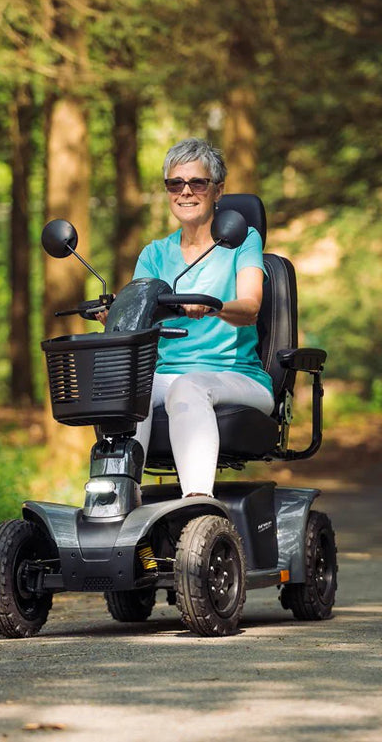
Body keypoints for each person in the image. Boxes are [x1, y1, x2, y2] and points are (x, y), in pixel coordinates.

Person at [129, 138, 274, 498]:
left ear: (218, 190)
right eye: (175, 183)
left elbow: (250, 307)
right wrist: (112, 314)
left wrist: (214, 306)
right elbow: (136, 315)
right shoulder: (154, 253)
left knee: (189, 386)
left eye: (198, 183)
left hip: (237, 375)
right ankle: (117, 497)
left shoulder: (242, 241)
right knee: (127, 388)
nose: (186, 192)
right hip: (168, 375)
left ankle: (197, 503)